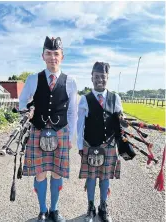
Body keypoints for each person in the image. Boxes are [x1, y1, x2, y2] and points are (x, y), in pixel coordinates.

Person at [19, 36, 77, 222]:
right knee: (41, 172)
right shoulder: (33, 79)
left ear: (62, 56)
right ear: (43, 56)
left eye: (56, 54)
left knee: (58, 171)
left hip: (61, 132)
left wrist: (71, 138)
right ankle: (43, 210)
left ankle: (55, 209)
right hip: (39, 130)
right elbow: (22, 103)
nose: (53, 57)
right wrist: (29, 110)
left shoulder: (70, 81)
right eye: (49, 53)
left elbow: (73, 112)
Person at [77, 62, 124, 222]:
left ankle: (103, 207)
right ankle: (91, 208)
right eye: (96, 77)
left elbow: (119, 122)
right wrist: (79, 146)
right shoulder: (84, 99)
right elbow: (80, 125)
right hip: (90, 144)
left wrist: (122, 124)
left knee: (105, 178)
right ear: (92, 78)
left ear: (107, 78)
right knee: (91, 178)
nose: (100, 80)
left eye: (103, 77)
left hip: (109, 144)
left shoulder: (115, 98)